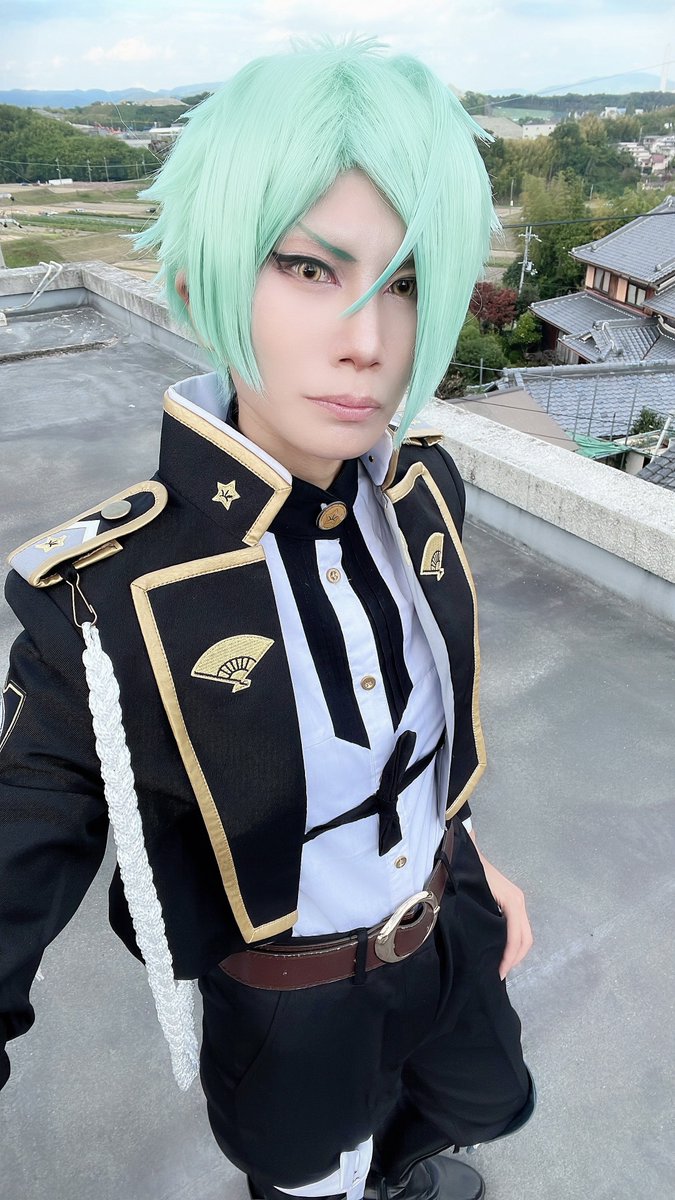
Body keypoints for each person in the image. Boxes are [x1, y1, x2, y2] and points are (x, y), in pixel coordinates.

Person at [0, 37, 535, 1200]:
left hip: (447, 923)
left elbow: (423, 723)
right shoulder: (105, 595)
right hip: (293, 1002)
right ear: (204, 286)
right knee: (312, 1177)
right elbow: (23, 833)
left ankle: (397, 1171)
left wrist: (471, 857)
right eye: (307, 268)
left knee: (483, 1101)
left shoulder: (423, 490)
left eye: (404, 282)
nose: (369, 340)